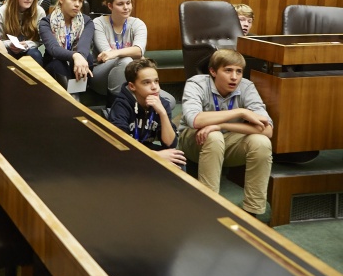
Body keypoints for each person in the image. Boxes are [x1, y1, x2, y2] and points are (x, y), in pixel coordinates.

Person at [179, 49, 273, 216]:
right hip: (193, 141)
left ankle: (252, 211)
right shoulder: (197, 83)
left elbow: (267, 130)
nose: (234, 77)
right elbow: (196, 120)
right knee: (213, 137)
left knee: (262, 142)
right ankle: (208, 207)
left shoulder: (246, 86)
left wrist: (223, 125)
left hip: (228, 141)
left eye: (239, 71)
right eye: (228, 70)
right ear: (213, 71)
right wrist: (240, 112)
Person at [108, 58, 186, 168]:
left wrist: (162, 113)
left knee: (177, 159)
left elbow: (170, 144)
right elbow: (120, 147)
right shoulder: (122, 105)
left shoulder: (162, 104)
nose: (154, 87)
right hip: (125, 155)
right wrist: (155, 156)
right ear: (132, 86)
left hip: (145, 147)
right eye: (147, 83)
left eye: (156, 81)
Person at [90, 0, 146, 100]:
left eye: (128, 3)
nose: (126, 7)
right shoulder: (98, 23)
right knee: (125, 60)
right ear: (110, 6)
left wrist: (115, 53)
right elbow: (107, 55)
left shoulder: (138, 24)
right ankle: (116, 105)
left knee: (170, 101)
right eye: (120, 4)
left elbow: (139, 50)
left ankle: (127, 101)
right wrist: (132, 54)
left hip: (131, 75)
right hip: (101, 75)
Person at [39, 0, 95, 87]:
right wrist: (74, 55)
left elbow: (84, 46)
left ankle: (78, 90)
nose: (77, 4)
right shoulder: (45, 22)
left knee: (87, 58)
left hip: (77, 66)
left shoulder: (87, 22)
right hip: (55, 65)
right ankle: (71, 97)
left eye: (80, 1)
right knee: (58, 64)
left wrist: (79, 57)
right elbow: (53, 49)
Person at [0, 0, 46, 65]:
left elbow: (41, 39)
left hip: (29, 48)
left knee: (35, 55)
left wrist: (28, 44)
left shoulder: (39, 11)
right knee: (2, 56)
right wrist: (9, 44)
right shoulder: (2, 11)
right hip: (8, 47)